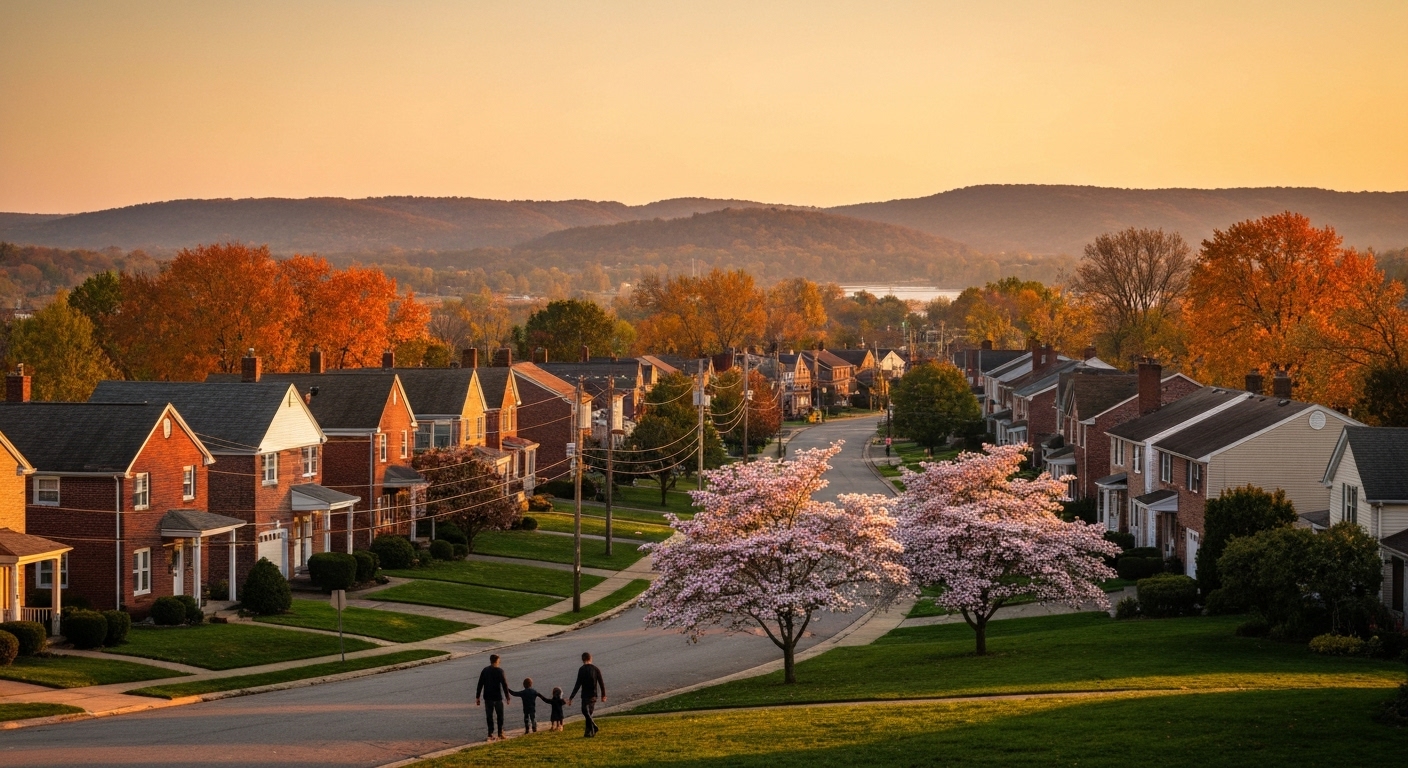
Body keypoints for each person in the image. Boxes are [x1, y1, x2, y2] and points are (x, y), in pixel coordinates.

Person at [567, 651, 606, 738]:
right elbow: (601, 683)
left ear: (582, 660)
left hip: (586, 695)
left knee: (585, 711)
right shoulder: (596, 669)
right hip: (593, 695)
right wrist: (603, 695)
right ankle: (591, 730)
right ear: (590, 658)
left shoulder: (582, 670)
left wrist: (571, 697)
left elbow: (577, 684)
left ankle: (591, 730)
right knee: (589, 713)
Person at [475, 654, 512, 741]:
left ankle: (490, 733)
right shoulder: (500, 671)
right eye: (499, 660)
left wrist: (477, 697)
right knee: (500, 716)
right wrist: (507, 696)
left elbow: (480, 684)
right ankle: (500, 733)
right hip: (498, 697)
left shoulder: (485, 670)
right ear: (497, 661)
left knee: (489, 716)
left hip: (488, 697)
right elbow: (504, 684)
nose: (500, 662)